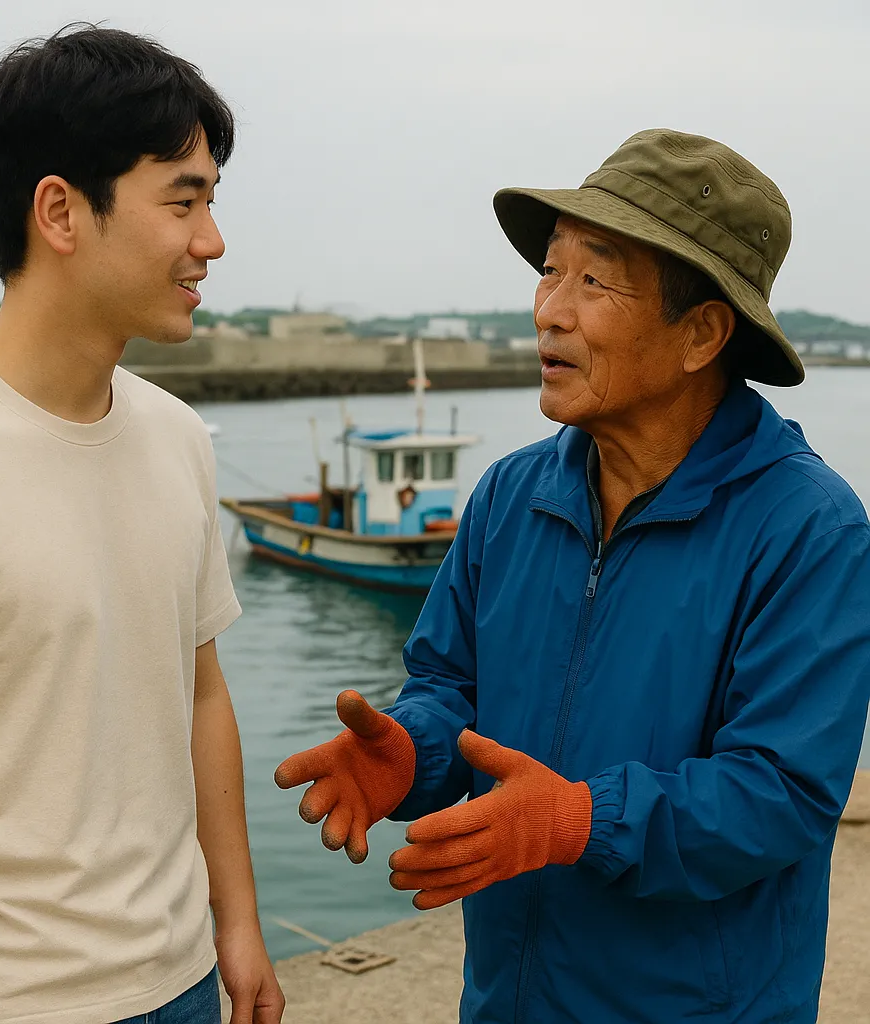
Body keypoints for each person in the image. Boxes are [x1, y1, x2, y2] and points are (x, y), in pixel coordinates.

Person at [275, 129, 870, 1022]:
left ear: (702, 333)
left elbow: (782, 794)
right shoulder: (512, 495)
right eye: (549, 273)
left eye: (593, 281)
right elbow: (448, 686)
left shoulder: (808, 528)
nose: (549, 310)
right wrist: (414, 750)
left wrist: (579, 820)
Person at [0, 25, 284, 1024]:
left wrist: (237, 920)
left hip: (178, 981)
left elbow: (200, 695)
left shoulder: (178, 438)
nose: (209, 242)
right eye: (183, 200)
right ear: (59, 211)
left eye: (211, 200)